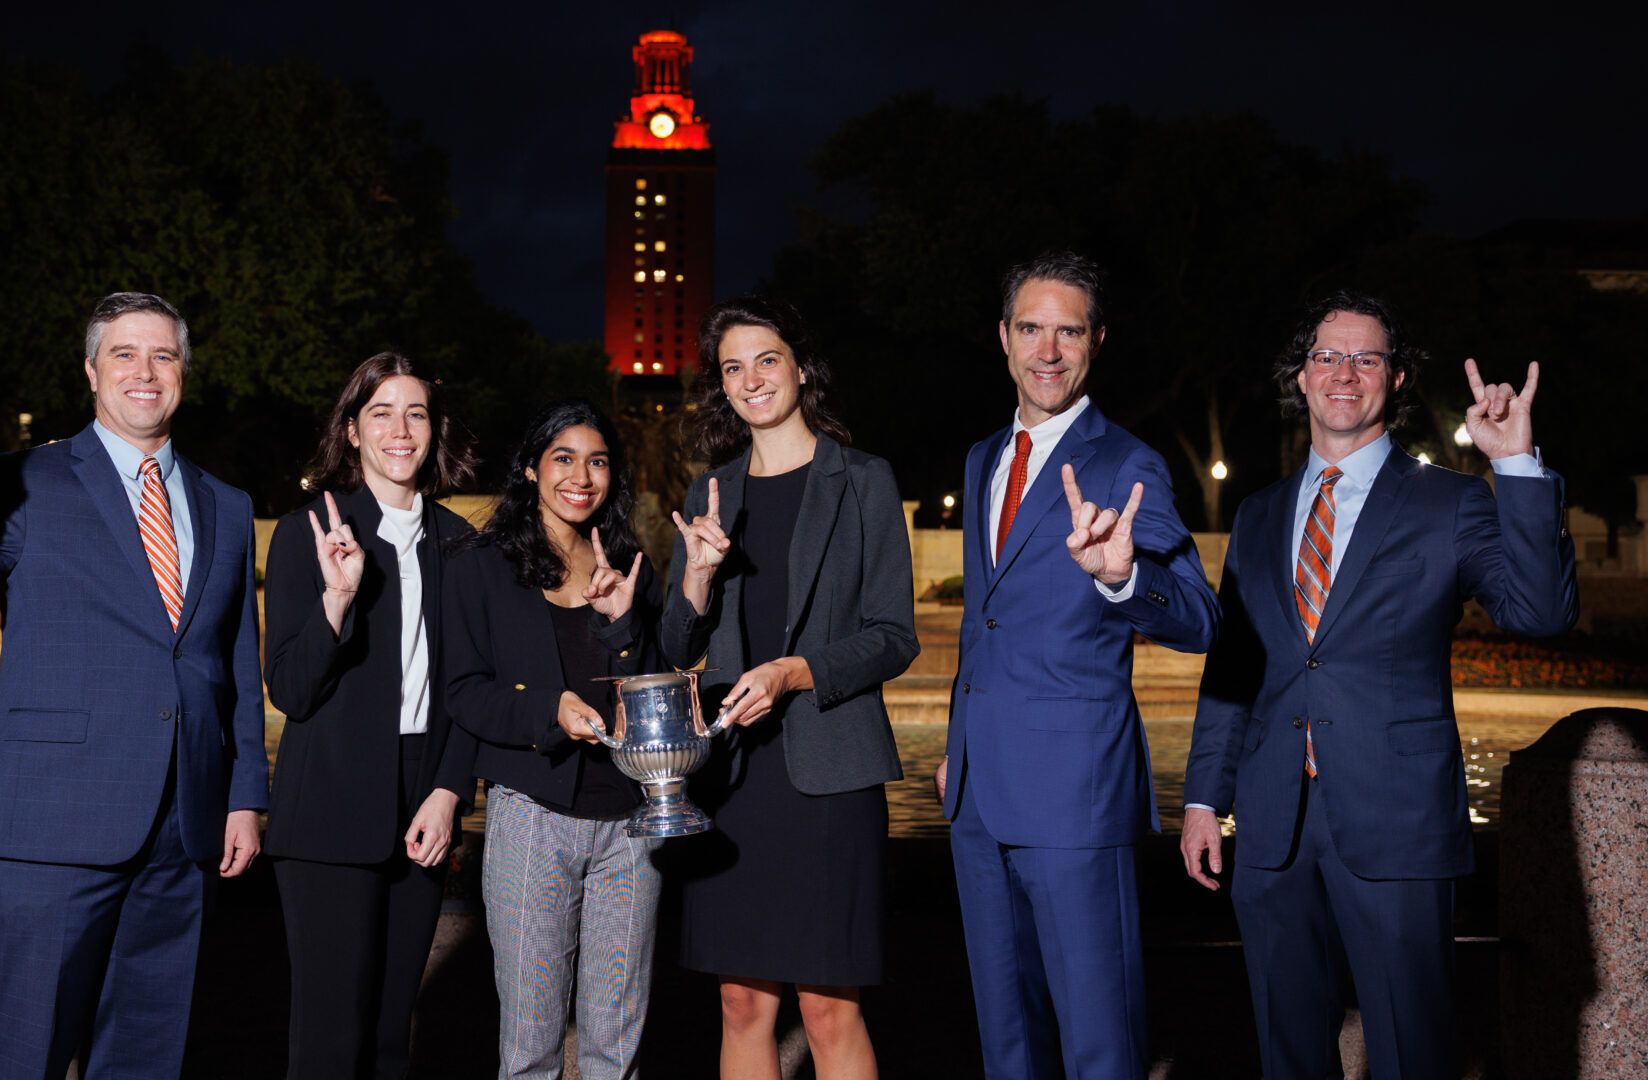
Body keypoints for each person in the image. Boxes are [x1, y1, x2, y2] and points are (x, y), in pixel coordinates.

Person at [1180, 292, 1577, 1079]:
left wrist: (1515, 465)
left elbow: (1541, 611)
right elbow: (1234, 666)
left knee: (1411, 1050)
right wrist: (1202, 798)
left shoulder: (1454, 502)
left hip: (1398, 823)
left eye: (1367, 358)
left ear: (1395, 380)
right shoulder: (1259, 514)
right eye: (1328, 355)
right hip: (1270, 827)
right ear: (1302, 374)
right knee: (1286, 1051)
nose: (1344, 373)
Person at [0, 292, 268, 1079]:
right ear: (91, 371)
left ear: (184, 373)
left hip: (181, 830)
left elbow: (234, 664)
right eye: (123, 353)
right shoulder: (25, 481)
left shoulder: (227, 507)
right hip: (49, 825)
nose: (145, 371)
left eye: (163, 355)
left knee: (147, 1056)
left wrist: (244, 794)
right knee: (33, 1055)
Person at [937, 252, 1219, 1079]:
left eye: (1068, 331)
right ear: (1003, 338)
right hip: (977, 797)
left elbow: (1202, 620)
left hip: (1075, 795)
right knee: (1006, 1038)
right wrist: (955, 752)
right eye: (1031, 328)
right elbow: (985, 624)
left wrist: (1124, 579)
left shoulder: (1128, 463)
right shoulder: (983, 457)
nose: (1048, 351)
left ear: (1096, 341)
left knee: (1100, 1041)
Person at [661, 296, 919, 1080]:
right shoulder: (710, 494)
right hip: (733, 779)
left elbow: (893, 635)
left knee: (828, 1007)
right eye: (733, 367)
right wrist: (697, 581)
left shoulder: (863, 480)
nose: (751, 379)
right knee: (741, 1003)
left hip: (828, 774)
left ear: (801, 368)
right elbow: (676, 647)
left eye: (766, 360)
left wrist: (798, 673)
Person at [262, 353, 481, 1078]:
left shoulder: (459, 544)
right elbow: (290, 692)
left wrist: (448, 792)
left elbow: (468, 688)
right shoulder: (308, 532)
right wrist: (337, 601)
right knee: (329, 1039)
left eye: (415, 413)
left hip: (422, 795)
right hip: (327, 799)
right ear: (352, 431)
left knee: (392, 1034)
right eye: (380, 412)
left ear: (434, 430)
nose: (400, 429)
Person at [440, 398, 664, 1080]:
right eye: (563, 458)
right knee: (530, 1043)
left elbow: (653, 690)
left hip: (630, 829)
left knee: (615, 1042)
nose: (581, 476)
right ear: (532, 469)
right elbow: (463, 690)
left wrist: (624, 627)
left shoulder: (627, 562)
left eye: (597, 461)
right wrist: (547, 710)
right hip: (532, 819)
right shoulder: (480, 564)